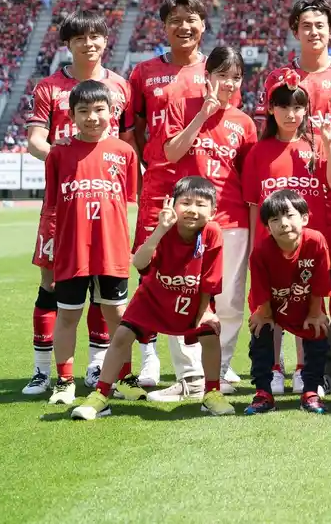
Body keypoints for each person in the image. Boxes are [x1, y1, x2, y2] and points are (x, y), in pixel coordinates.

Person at [21, 11, 133, 396]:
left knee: (105, 287)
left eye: (95, 36)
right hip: (64, 204)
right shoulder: (49, 87)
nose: (89, 43)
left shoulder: (120, 86)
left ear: (105, 40)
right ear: (68, 44)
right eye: (80, 38)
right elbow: (35, 141)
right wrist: (66, 154)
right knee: (51, 285)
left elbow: (127, 142)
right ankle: (43, 371)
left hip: (104, 201)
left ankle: (99, 367)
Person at [68, 178, 233, 419]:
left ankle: (212, 394)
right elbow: (139, 262)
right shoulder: (163, 228)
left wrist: (205, 311)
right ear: (172, 205)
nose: (192, 210)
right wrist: (160, 230)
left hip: (190, 301)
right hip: (152, 300)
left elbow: (211, 277)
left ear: (213, 211)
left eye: (200, 204)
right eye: (185, 202)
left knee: (210, 334)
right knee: (122, 336)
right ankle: (100, 395)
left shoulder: (212, 232)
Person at [127, 0, 226, 389]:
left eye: (191, 19)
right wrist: (149, 168)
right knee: (150, 271)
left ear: (203, 25)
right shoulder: (144, 72)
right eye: (175, 20)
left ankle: (201, 365)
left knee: (198, 274)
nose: (184, 26)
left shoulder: (216, 69)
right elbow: (133, 131)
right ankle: (148, 358)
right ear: (164, 27)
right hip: (159, 186)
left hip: (202, 186)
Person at [159, 46, 257, 400]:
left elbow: (249, 182)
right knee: (182, 294)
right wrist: (203, 114)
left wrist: (253, 233)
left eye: (236, 77)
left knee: (228, 299)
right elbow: (171, 153)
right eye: (222, 75)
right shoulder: (181, 107)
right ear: (207, 76)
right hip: (187, 220)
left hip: (231, 221)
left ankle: (222, 367)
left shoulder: (244, 123)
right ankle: (189, 375)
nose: (229, 83)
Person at [241, 70, 331, 394]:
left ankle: (303, 368)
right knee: (268, 305)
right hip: (270, 248)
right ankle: (273, 367)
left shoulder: (316, 146)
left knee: (307, 303)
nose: (291, 114)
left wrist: (329, 143)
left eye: (298, 107)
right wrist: (254, 246)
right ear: (271, 109)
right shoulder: (258, 152)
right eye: (283, 106)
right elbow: (253, 205)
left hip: (308, 248)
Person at [43, 80, 140, 406]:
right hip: (72, 250)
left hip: (112, 249)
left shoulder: (124, 152)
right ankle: (64, 382)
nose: (92, 117)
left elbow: (127, 203)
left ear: (112, 112)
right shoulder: (59, 154)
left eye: (99, 110)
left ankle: (124, 377)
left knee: (117, 314)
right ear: (71, 115)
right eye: (83, 111)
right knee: (68, 316)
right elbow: (53, 205)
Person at [256, 0, 331, 275]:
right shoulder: (278, 77)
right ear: (296, 32)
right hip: (292, 183)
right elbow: (265, 132)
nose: (313, 31)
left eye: (320, 25)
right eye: (306, 26)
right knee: (289, 267)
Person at [244, 189, 331, 415]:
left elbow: (320, 283)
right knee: (260, 329)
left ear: (304, 218)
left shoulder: (316, 241)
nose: (283, 224)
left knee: (318, 329)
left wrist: (315, 313)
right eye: (275, 219)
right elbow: (260, 291)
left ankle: (311, 391)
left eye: (289, 215)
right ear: (267, 227)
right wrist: (264, 315)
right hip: (270, 306)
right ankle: (263, 393)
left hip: (306, 304)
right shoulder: (261, 251)